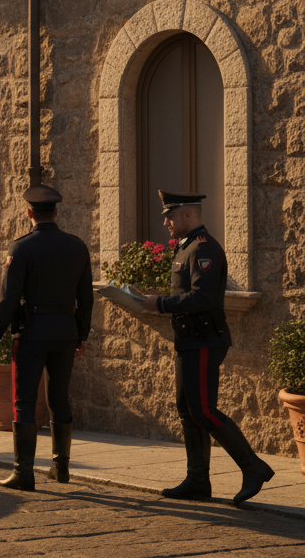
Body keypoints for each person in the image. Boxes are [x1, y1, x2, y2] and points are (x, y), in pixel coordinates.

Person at [142, 190, 274, 504]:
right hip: (188, 341)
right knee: (187, 410)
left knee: (203, 410)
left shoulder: (205, 250)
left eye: (170, 215)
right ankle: (197, 480)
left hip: (203, 341)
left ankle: (254, 467)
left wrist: (159, 303)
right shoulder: (185, 248)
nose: (165, 222)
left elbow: (201, 298)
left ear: (187, 215)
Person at [0, 185, 93, 492]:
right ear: (56, 213)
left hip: (31, 333)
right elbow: (86, 298)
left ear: (29, 213)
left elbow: (8, 298)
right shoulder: (77, 247)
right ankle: (60, 468)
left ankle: (24, 472)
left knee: (24, 401)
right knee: (59, 397)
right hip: (64, 333)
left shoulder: (21, 248)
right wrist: (82, 334)